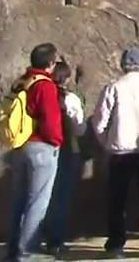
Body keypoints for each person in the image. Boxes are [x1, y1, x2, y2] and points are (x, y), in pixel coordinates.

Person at [92, 45, 139, 259]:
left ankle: (117, 244)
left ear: (123, 64)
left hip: (121, 152)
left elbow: (99, 121)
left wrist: (107, 141)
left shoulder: (114, 87)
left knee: (117, 200)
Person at [4, 43, 62, 262]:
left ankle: (13, 251)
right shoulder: (45, 86)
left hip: (20, 146)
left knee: (18, 201)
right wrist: (56, 142)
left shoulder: (22, 81)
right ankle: (27, 253)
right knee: (37, 202)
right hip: (41, 147)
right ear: (50, 63)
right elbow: (50, 121)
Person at [43, 60, 86, 257]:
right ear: (67, 78)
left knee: (41, 195)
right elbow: (80, 128)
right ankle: (55, 240)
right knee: (61, 197)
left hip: (42, 148)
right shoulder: (71, 100)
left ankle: (33, 237)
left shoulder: (41, 95)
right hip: (67, 149)